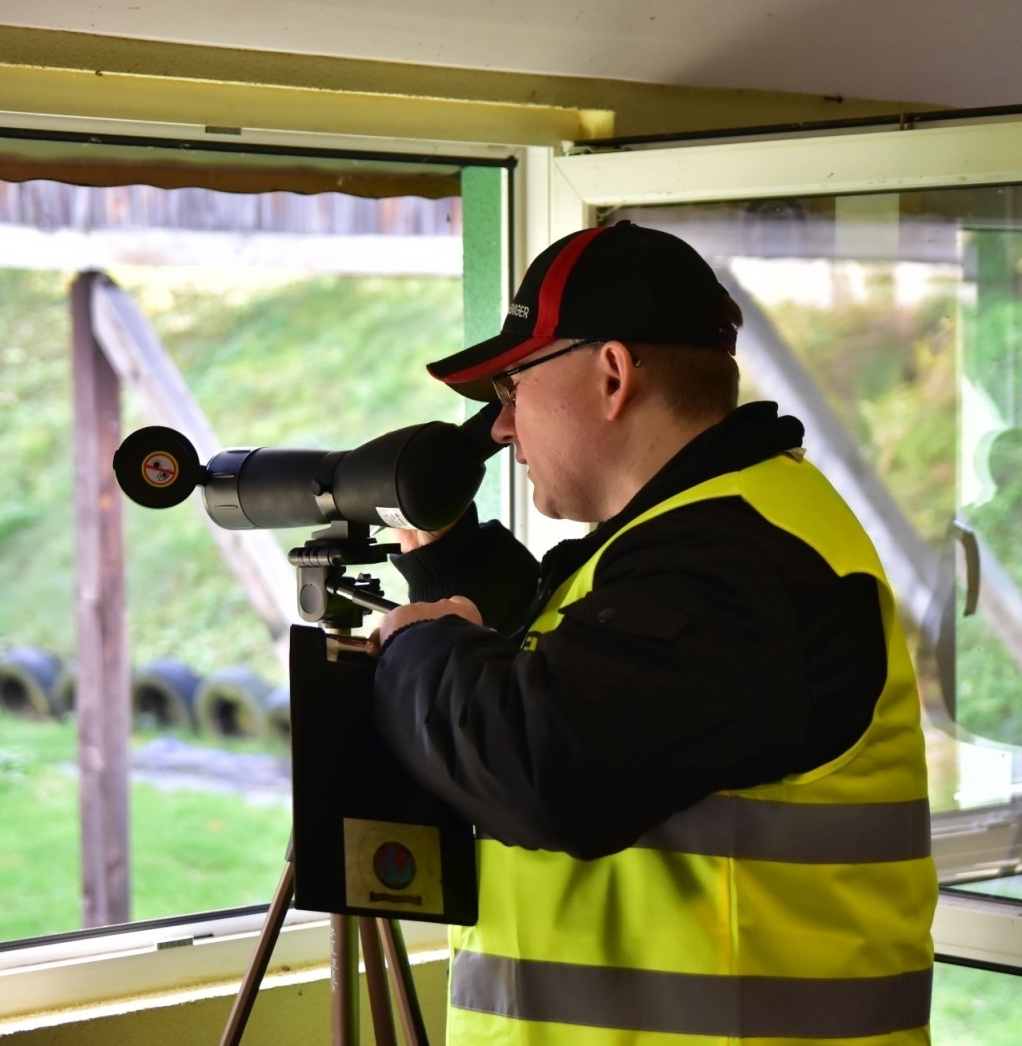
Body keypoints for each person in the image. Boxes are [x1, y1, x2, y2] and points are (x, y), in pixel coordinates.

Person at [370, 220, 936, 1045]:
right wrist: (461, 581)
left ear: (612, 374)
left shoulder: (733, 563)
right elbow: (616, 674)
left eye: (512, 388)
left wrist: (417, 647)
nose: (499, 428)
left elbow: (552, 764)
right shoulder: (723, 531)